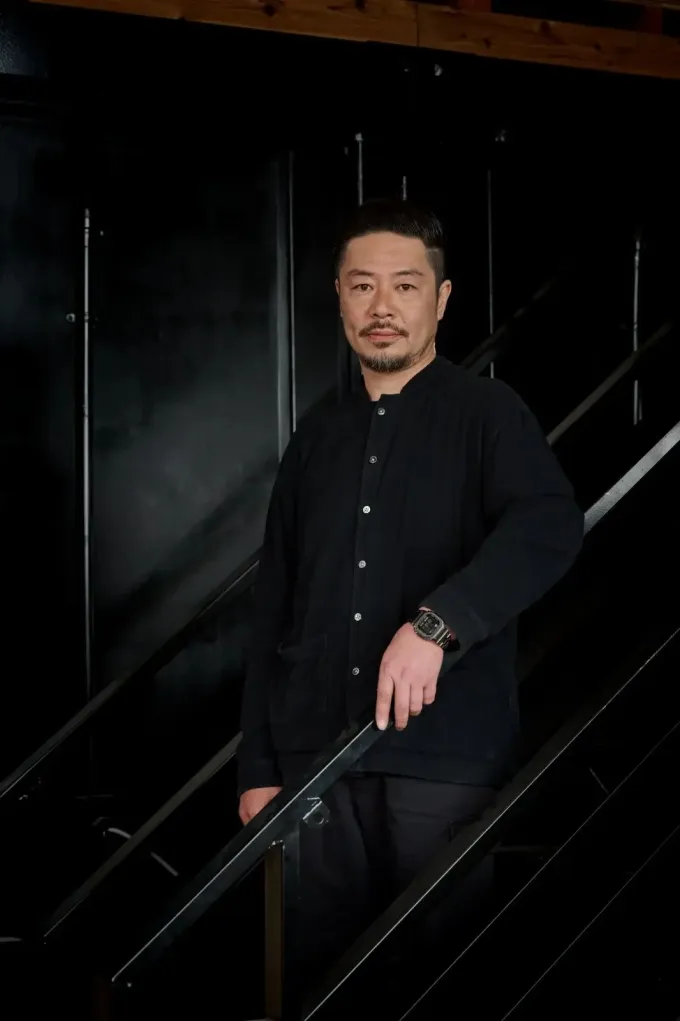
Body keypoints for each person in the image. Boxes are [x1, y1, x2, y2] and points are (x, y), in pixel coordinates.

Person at [237, 199, 583, 976]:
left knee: (437, 977)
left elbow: (550, 526)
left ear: (442, 298)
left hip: (443, 761)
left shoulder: (490, 413)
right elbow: (273, 609)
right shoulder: (316, 438)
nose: (383, 306)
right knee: (322, 978)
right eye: (363, 285)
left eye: (405, 285)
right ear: (340, 296)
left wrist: (436, 625)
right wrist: (258, 767)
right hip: (314, 764)